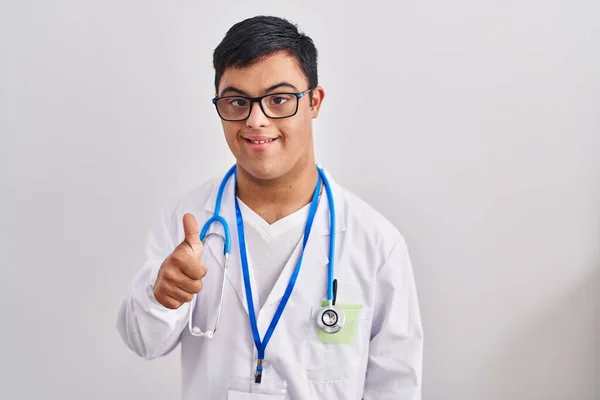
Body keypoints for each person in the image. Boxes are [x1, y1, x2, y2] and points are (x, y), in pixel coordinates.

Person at [116, 15, 423, 400]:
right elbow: (144, 342)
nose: (255, 120)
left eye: (278, 99)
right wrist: (162, 295)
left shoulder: (376, 243)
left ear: (314, 102)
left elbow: (395, 387)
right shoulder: (189, 219)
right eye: (237, 102)